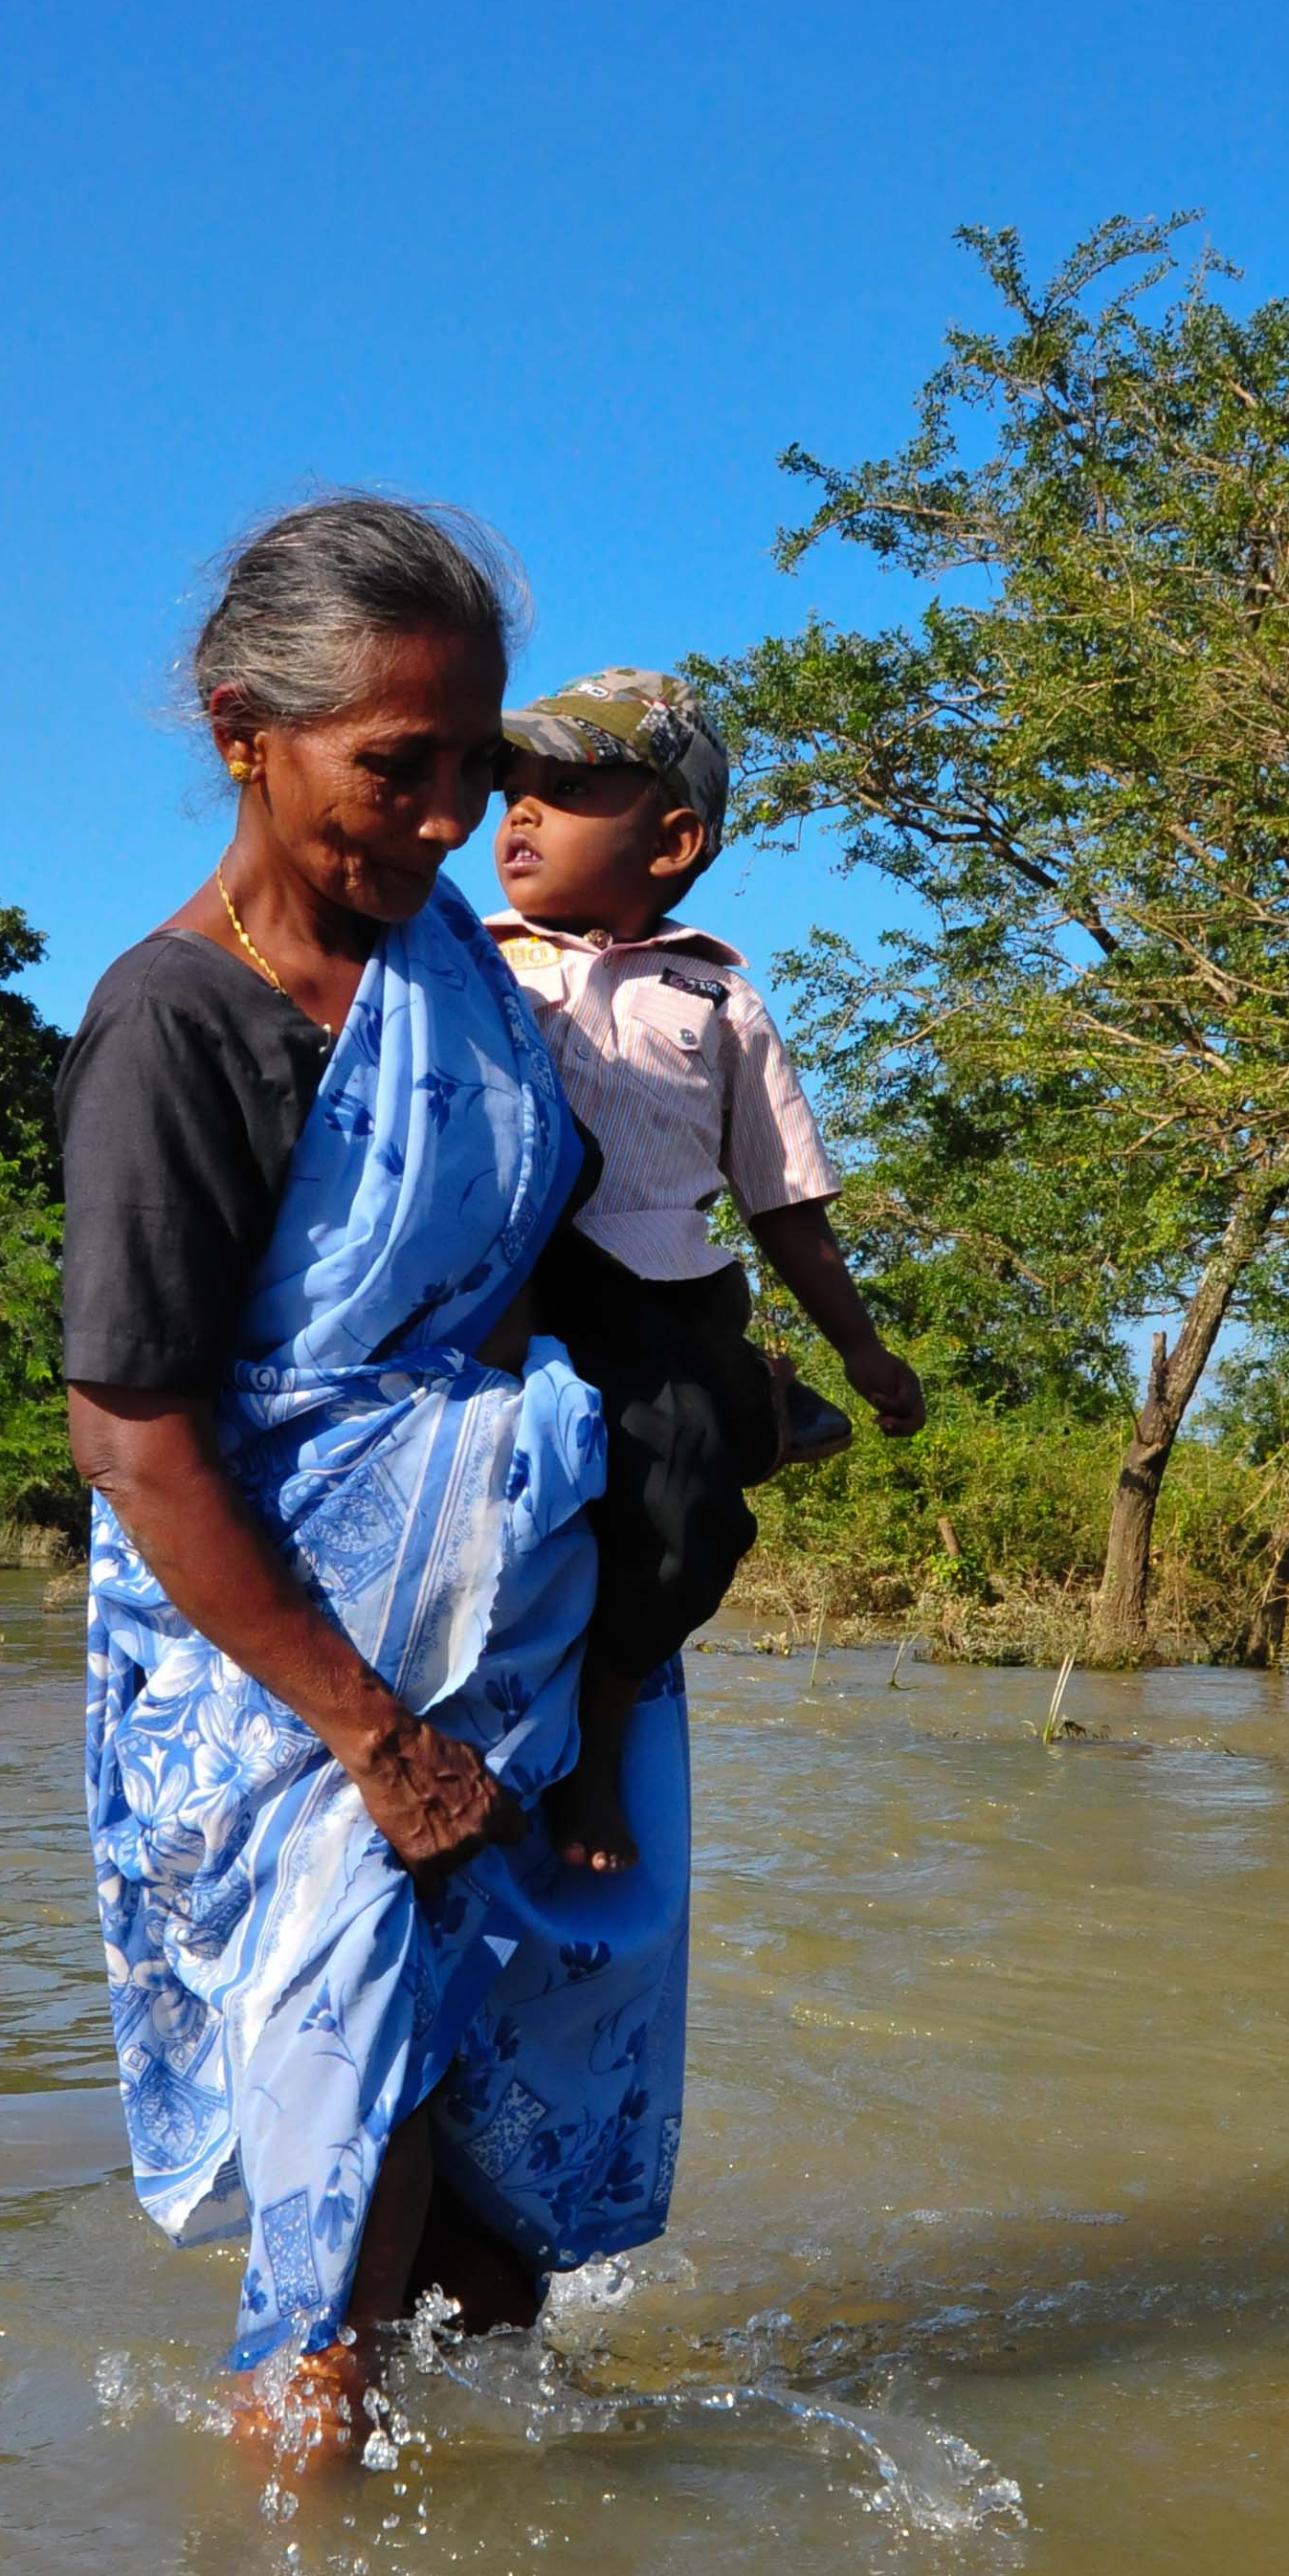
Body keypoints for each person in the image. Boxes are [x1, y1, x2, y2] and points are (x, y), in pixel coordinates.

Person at [58, 499, 688, 2459]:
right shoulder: (180, 1022)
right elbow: (137, 1435)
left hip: (523, 1643)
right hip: (310, 1699)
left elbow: (545, 1278)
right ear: (247, 730)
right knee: (329, 2272)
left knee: (496, 2256)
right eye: (387, 772)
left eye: (466, 774)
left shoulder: (466, 990)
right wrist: (370, 1735)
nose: (433, 823)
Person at [485, 669, 927, 1876]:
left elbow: (783, 1200)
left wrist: (863, 1347)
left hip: (657, 1283)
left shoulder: (717, 995)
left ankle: (597, 1746)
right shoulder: (462, 966)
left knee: (681, 1519)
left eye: (566, 791)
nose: (517, 815)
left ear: (673, 840)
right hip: (506, 1281)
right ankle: (756, 1408)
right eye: (511, 788)